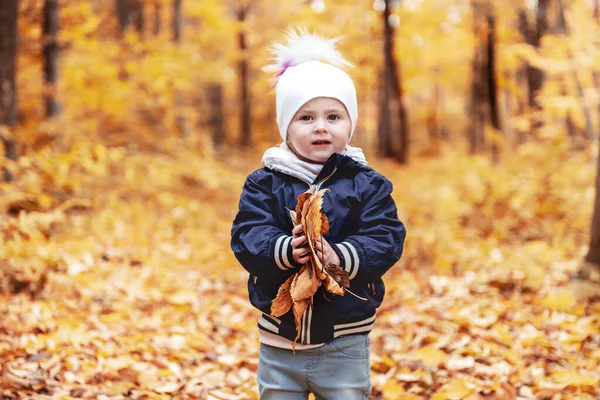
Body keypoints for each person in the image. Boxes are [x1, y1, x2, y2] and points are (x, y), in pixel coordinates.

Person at [231, 29, 406, 400]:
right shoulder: (264, 182)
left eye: (333, 116)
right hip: (279, 339)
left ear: (350, 123)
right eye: (306, 117)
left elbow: (386, 238)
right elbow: (247, 234)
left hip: (345, 337)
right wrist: (283, 249)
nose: (321, 126)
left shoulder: (368, 184)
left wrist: (339, 256)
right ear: (286, 127)